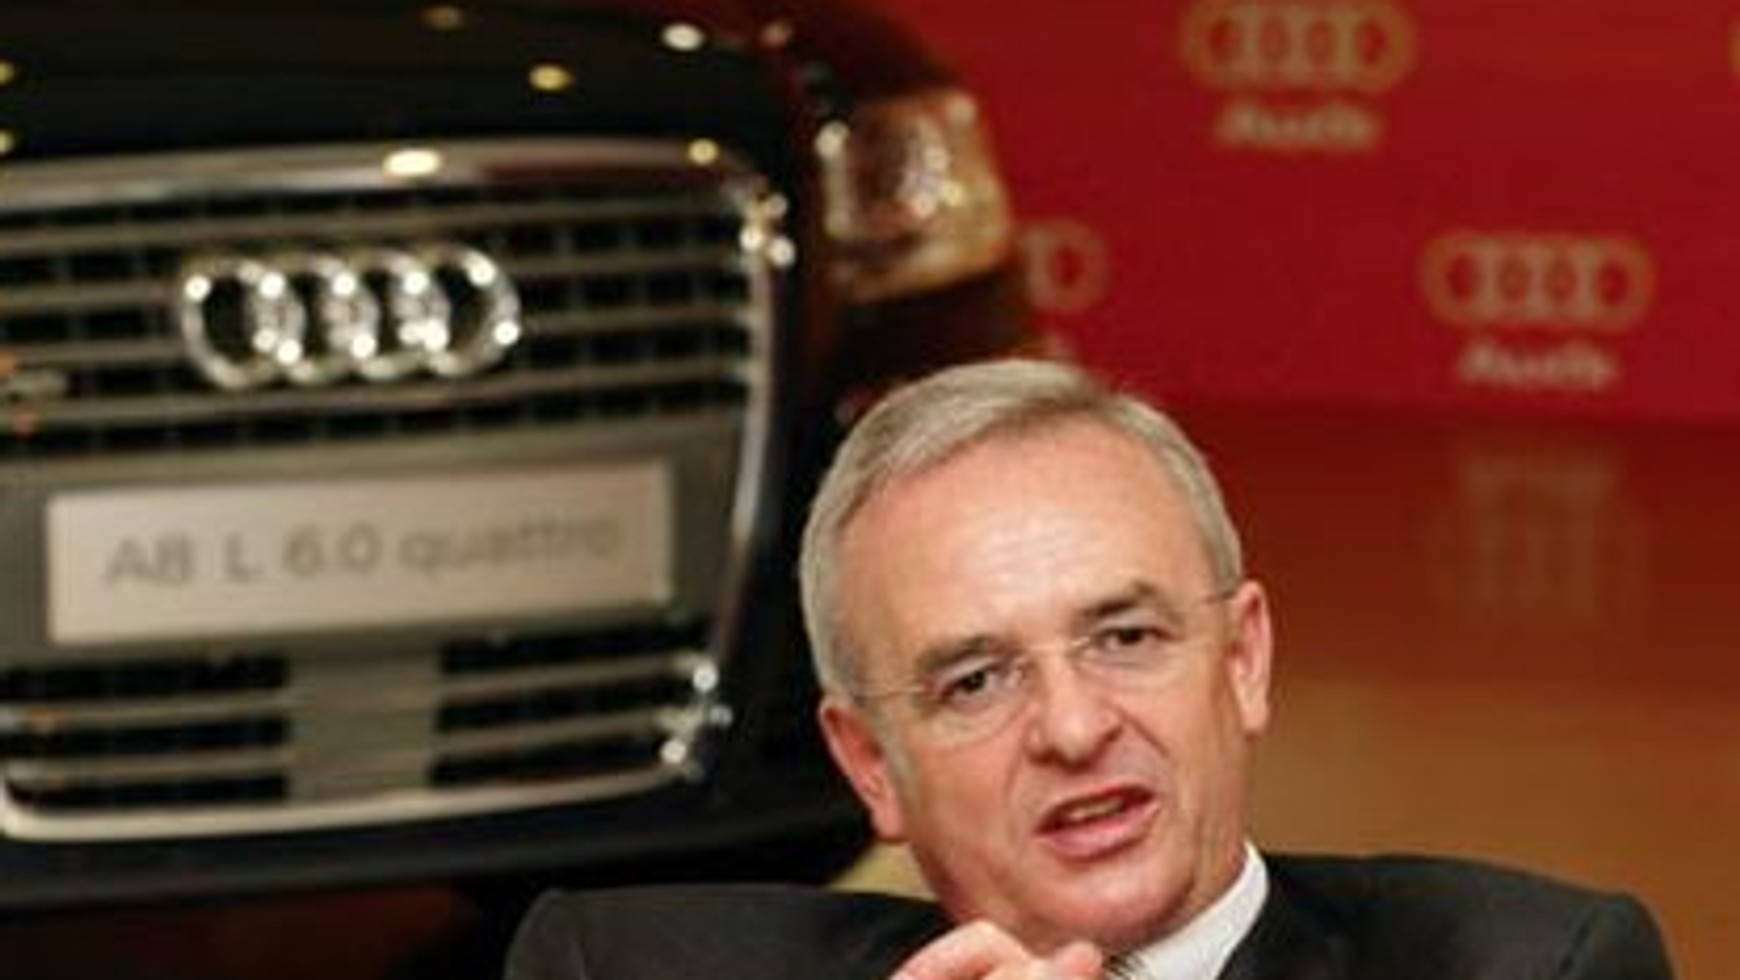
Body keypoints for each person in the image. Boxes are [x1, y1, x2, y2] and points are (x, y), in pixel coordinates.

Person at [506, 358, 1675, 980]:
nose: (1072, 726)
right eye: (975, 679)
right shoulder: (619, 965)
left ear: (1243, 659)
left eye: (1126, 637)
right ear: (873, 766)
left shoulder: (1531, 965)